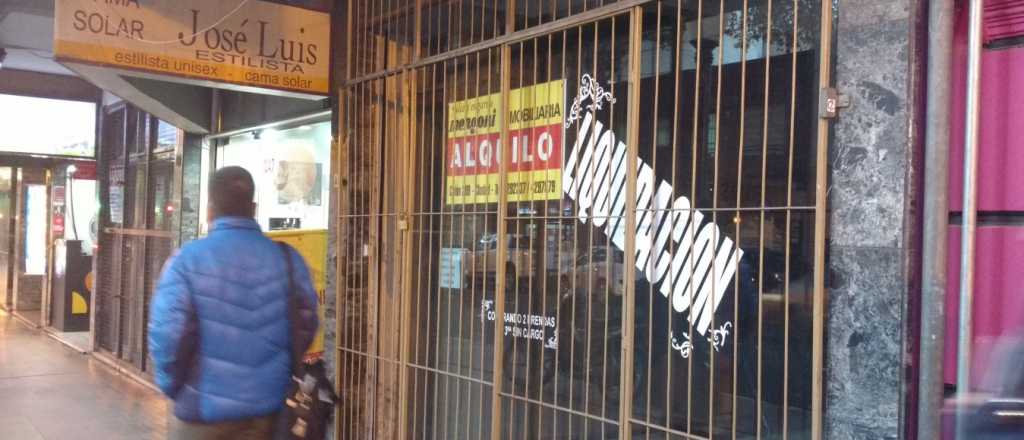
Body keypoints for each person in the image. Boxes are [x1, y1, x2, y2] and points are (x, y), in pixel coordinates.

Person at [148, 166, 319, 440]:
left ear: (209, 211)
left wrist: (173, 388)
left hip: (201, 416)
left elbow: (168, 337)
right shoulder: (288, 260)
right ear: (254, 208)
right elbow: (305, 327)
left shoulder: (186, 261)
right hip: (268, 413)